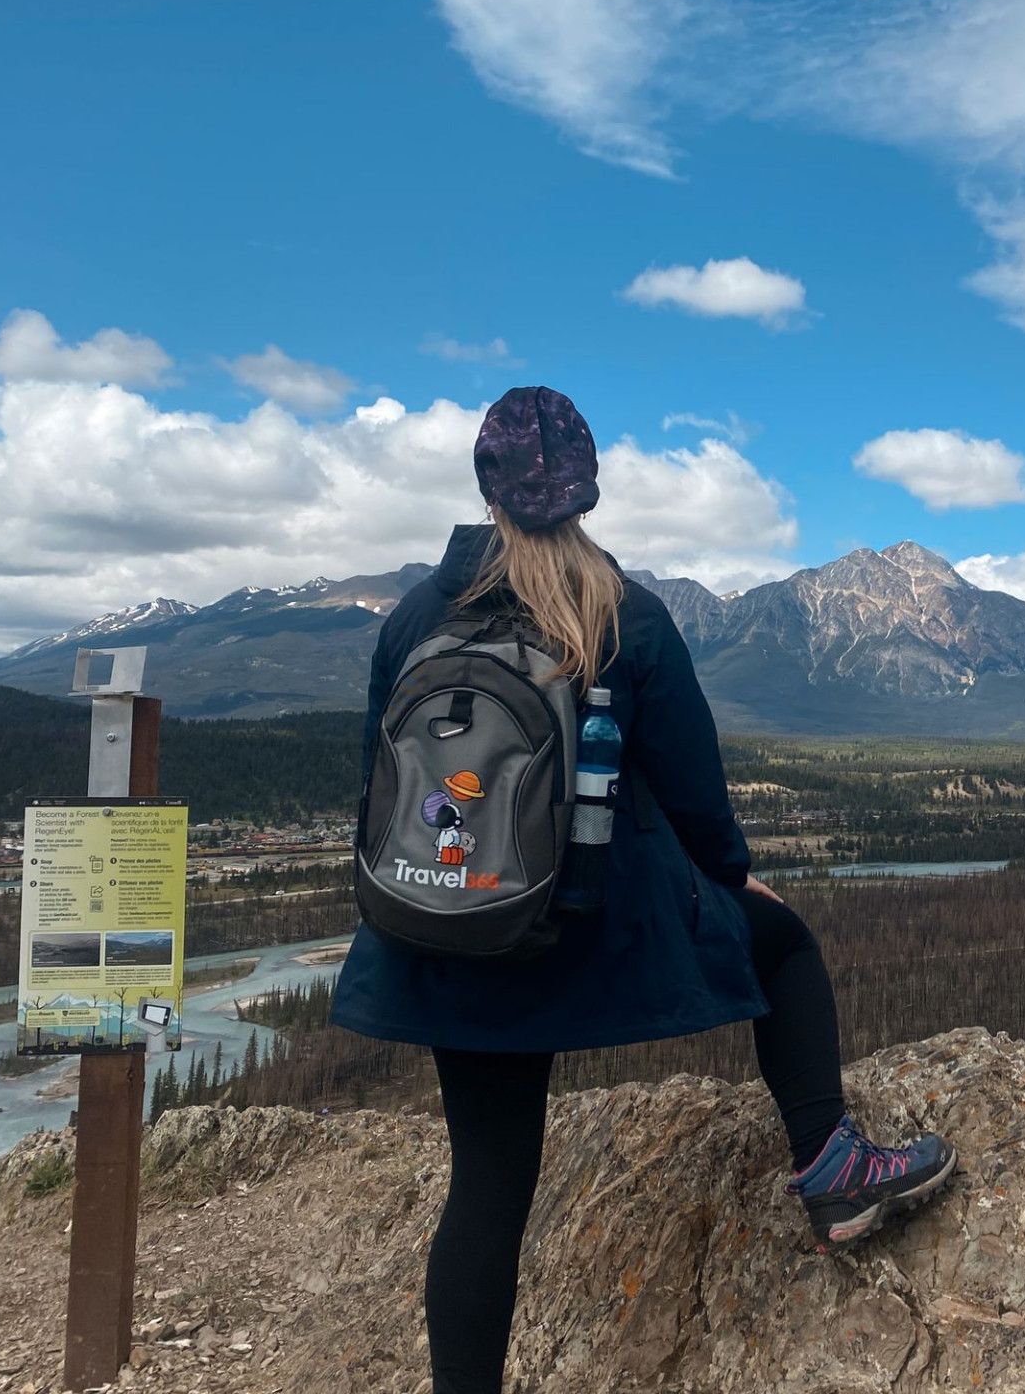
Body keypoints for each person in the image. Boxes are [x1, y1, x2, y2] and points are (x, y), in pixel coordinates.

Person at [330, 386, 956, 1394]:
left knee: (486, 1189)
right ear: (585, 491)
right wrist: (730, 882)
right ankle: (833, 1172)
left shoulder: (416, 617)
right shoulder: (622, 611)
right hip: (587, 928)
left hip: (446, 922)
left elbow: (377, 777)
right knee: (785, 944)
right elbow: (698, 793)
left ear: (486, 489)